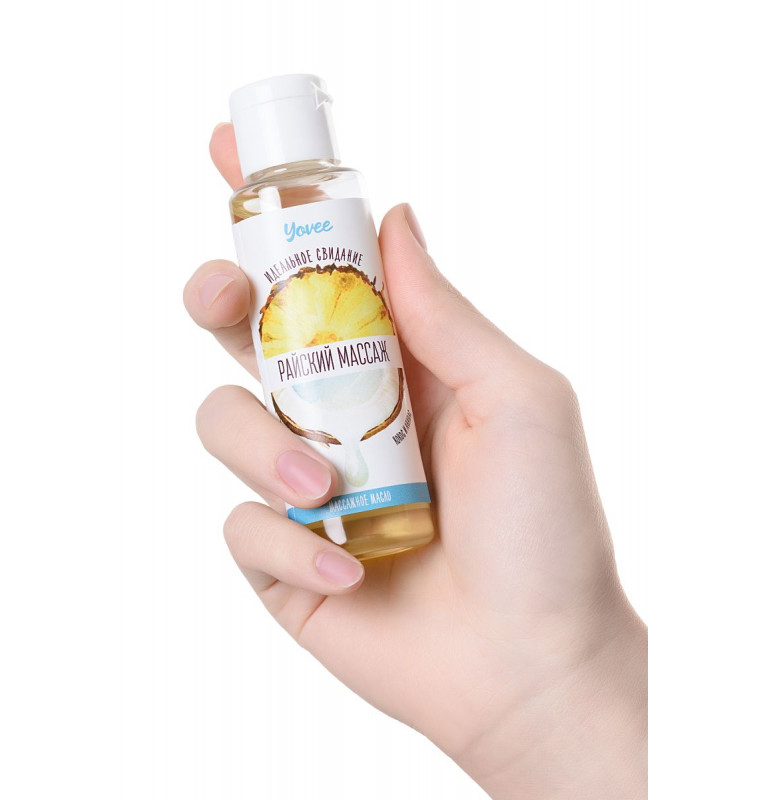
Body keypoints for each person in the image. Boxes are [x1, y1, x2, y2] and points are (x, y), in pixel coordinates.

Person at [183, 123, 648, 799]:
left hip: (412, 492)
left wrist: (559, 679)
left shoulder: (337, 188)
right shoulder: (259, 205)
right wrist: (546, 706)